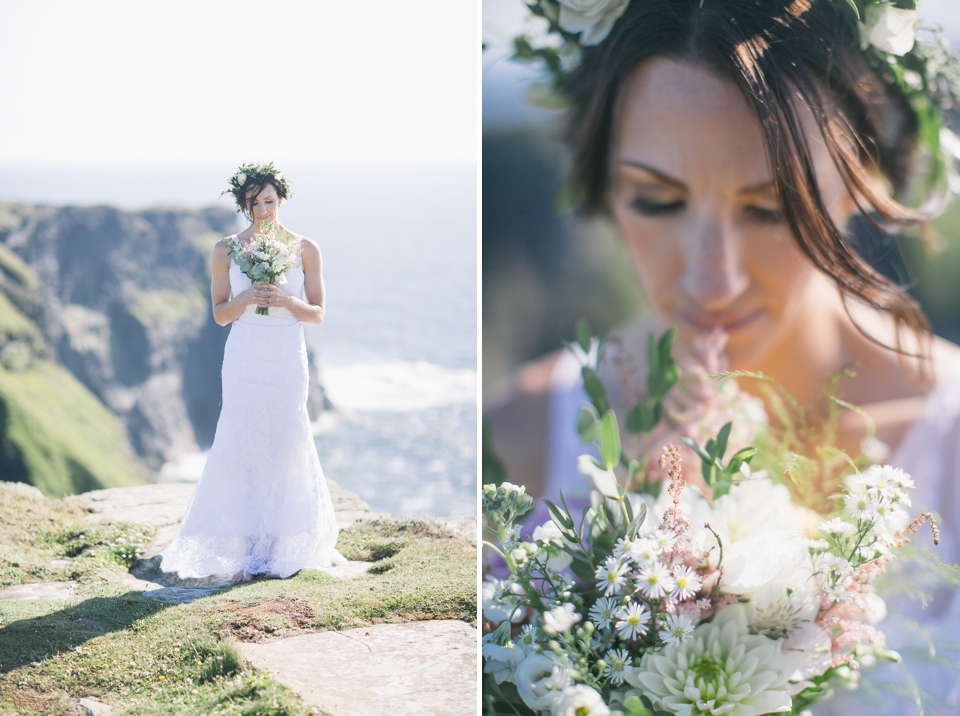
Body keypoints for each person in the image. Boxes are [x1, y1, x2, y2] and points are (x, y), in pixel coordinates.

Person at [485, 0, 960, 712]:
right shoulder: (511, 444)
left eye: (772, 210)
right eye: (656, 201)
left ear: (864, 177)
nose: (714, 278)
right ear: (603, 179)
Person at [161, 162, 346, 584]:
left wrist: (284, 300)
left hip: (285, 357)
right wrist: (246, 296)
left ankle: (281, 547)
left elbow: (316, 314)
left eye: (268, 201)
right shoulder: (225, 249)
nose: (262, 210)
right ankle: (242, 551)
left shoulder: (305, 248)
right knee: (241, 446)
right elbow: (220, 315)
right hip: (244, 359)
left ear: (280, 200)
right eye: (253, 204)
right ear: (243, 206)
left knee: (286, 444)